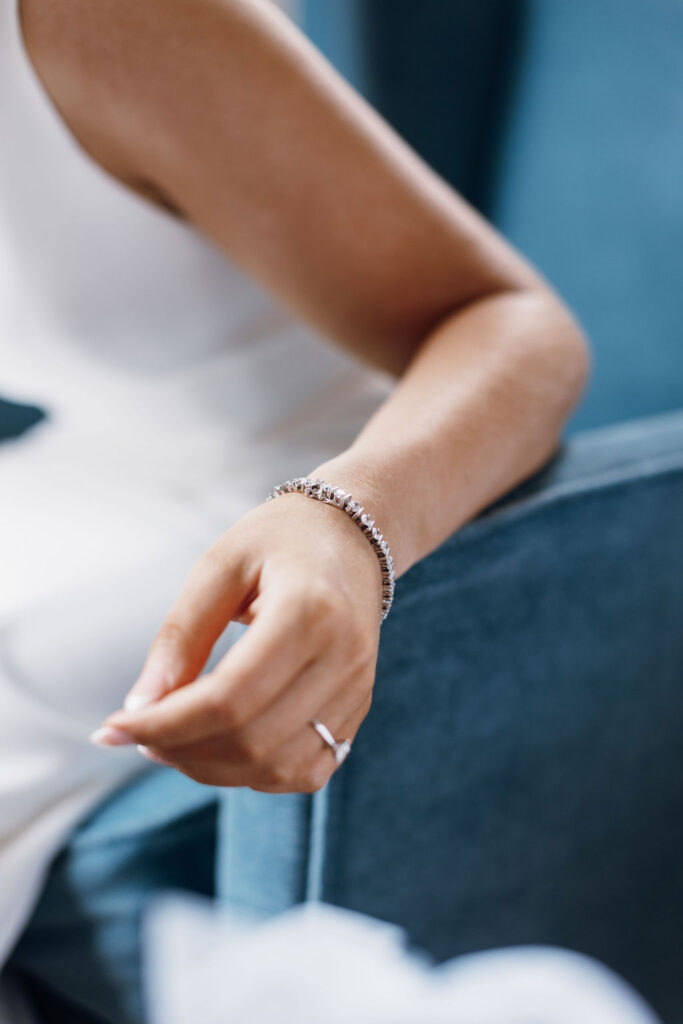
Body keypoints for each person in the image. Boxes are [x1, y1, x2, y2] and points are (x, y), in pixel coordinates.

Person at [0, 0, 589, 1018]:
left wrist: (345, 523)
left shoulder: (96, 19)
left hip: (301, 484)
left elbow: (519, 330)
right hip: (78, 479)